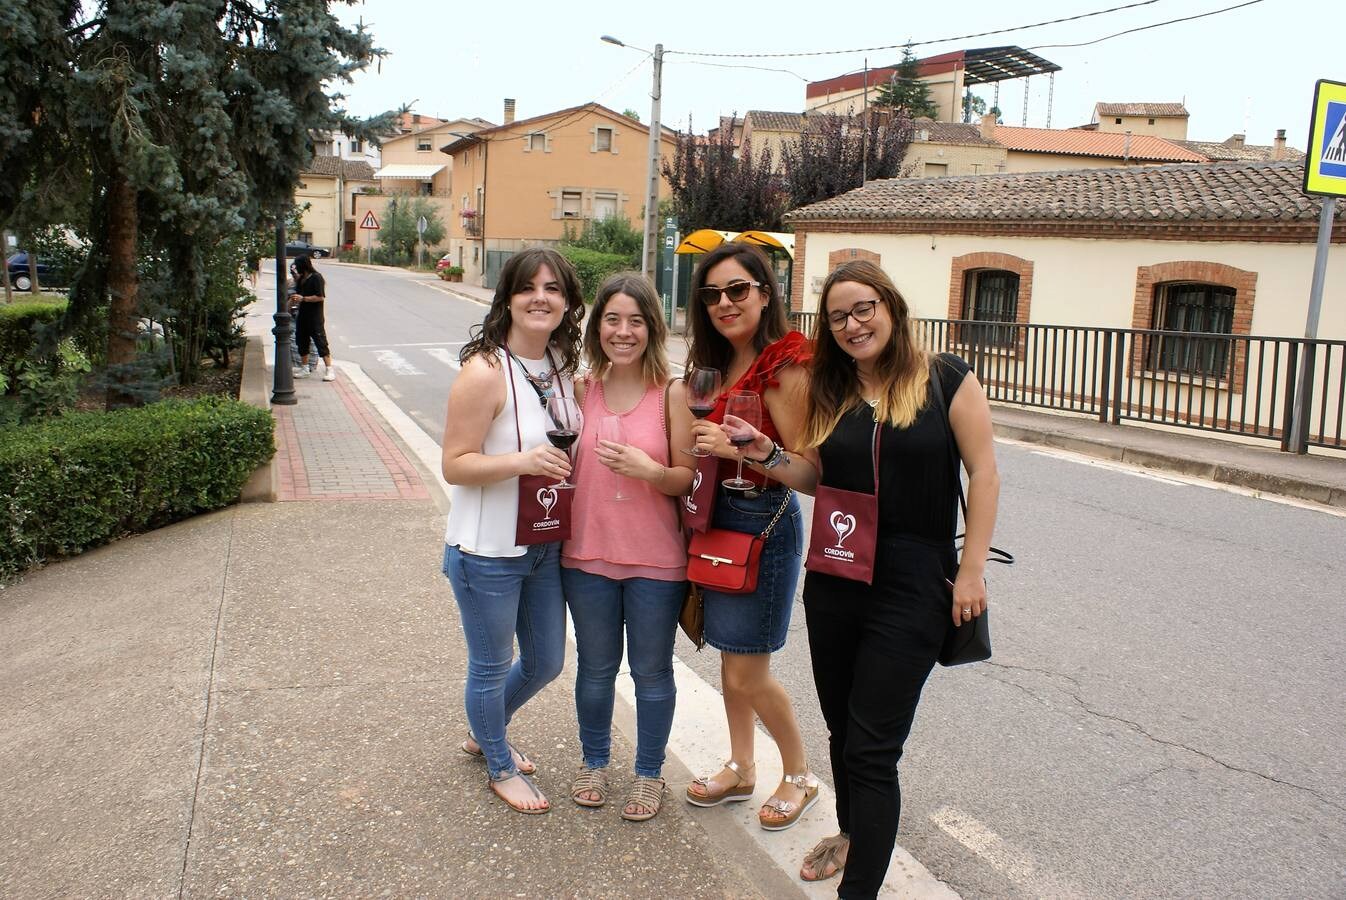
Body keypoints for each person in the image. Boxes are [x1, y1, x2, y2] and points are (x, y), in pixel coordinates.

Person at [730, 260, 1001, 896]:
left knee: (872, 749)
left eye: (863, 310)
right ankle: (853, 835)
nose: (852, 325)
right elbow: (814, 478)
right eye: (837, 317)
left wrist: (970, 573)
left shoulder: (945, 379)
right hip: (836, 574)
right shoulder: (830, 388)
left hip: (912, 580)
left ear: (891, 308)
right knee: (844, 730)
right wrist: (765, 453)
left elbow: (984, 475)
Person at [440, 247, 585, 815]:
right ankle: (498, 761)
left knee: (547, 660)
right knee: (491, 664)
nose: (541, 298)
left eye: (553, 289)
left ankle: (486, 727)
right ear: (508, 298)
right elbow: (455, 464)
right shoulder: (484, 372)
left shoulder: (559, 368)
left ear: (568, 303)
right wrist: (521, 462)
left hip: (544, 545)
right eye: (528, 288)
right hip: (487, 552)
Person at [681, 242, 819, 832]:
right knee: (729, 659)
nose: (725, 303)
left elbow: (810, 472)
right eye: (712, 294)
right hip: (717, 521)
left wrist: (746, 450)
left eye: (738, 290)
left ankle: (801, 775)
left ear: (766, 293)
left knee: (748, 672)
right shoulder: (716, 366)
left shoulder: (788, 365)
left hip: (764, 523)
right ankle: (741, 765)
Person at [560, 272, 696, 822]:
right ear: (598, 327)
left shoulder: (674, 392)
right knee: (594, 670)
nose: (623, 331)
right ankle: (595, 762)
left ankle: (648, 774)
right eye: (612, 319)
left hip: (657, 560)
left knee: (652, 673)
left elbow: (688, 479)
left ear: (652, 327)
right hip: (586, 554)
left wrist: (652, 471)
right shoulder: (578, 388)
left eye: (635, 321)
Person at [290, 255, 335, 382]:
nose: (296, 268)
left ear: (303, 265)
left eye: (297, 266)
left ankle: (329, 369)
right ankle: (305, 368)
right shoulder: (301, 279)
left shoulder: (316, 277)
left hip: (315, 316)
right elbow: (296, 293)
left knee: (320, 341)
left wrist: (303, 299)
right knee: (302, 341)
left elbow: (320, 297)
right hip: (302, 315)